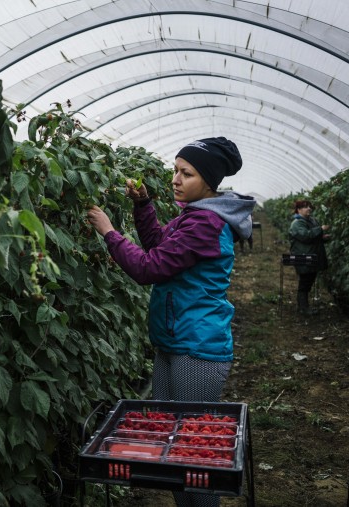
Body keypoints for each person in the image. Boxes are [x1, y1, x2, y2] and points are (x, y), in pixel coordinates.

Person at [86, 137, 255, 507]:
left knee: (194, 456)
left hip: (197, 349)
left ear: (209, 182)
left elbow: (150, 268)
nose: (176, 179)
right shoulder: (192, 216)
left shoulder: (206, 223)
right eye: (175, 170)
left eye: (187, 173)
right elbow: (158, 245)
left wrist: (109, 232)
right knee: (171, 447)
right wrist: (143, 204)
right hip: (173, 342)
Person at [288, 200, 329, 315]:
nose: (309, 208)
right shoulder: (296, 223)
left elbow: (313, 237)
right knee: (305, 282)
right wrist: (320, 229)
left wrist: (323, 237)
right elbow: (305, 236)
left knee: (308, 281)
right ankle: (303, 308)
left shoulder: (311, 220)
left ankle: (304, 307)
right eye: (305, 207)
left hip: (311, 256)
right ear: (298, 210)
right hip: (303, 257)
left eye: (309, 206)